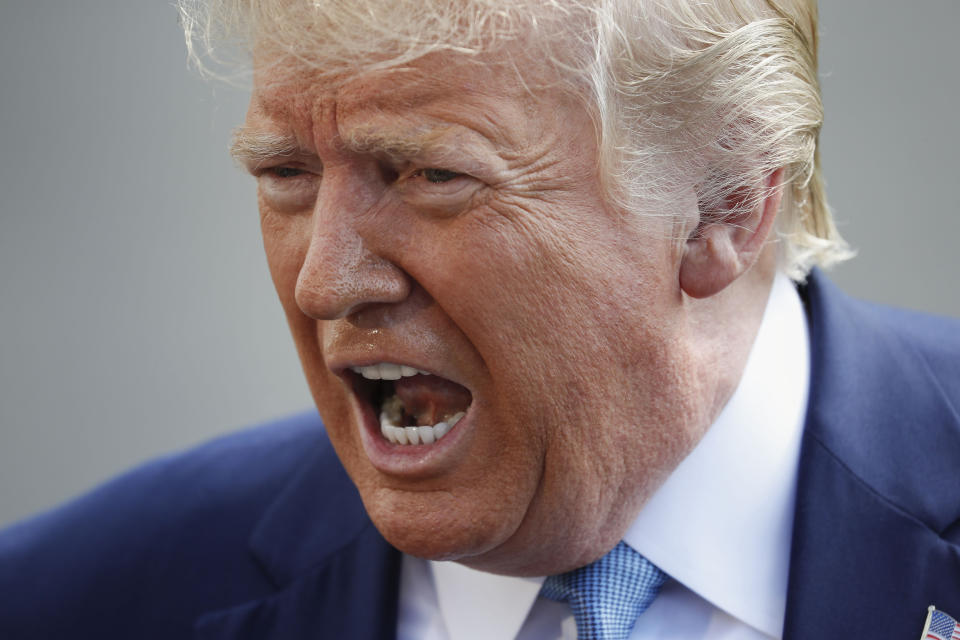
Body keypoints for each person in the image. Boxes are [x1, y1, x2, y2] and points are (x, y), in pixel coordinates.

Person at [1, 0, 958, 638]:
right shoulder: (76, 597)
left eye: (429, 176)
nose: (325, 284)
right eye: (286, 175)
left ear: (724, 206)